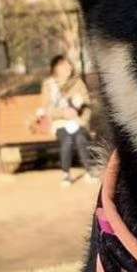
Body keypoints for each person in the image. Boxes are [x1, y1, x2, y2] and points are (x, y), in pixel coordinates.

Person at [42, 55, 96, 185]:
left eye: (69, 65)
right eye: (64, 65)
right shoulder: (49, 84)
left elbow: (87, 104)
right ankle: (66, 175)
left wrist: (83, 120)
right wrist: (63, 113)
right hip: (59, 123)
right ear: (56, 68)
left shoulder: (77, 82)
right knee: (67, 140)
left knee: (80, 138)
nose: (69, 68)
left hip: (78, 121)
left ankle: (89, 171)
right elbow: (47, 109)